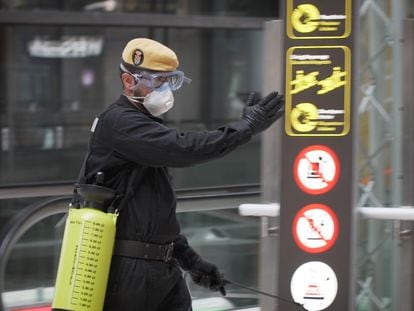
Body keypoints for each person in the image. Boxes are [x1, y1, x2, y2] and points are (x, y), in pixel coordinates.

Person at [80, 38, 284, 311]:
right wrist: (245, 127)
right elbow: (185, 148)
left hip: (162, 270)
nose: (167, 90)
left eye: (172, 81)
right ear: (129, 81)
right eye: (158, 81)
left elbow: (150, 212)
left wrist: (190, 260)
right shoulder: (119, 123)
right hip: (128, 274)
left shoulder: (145, 127)